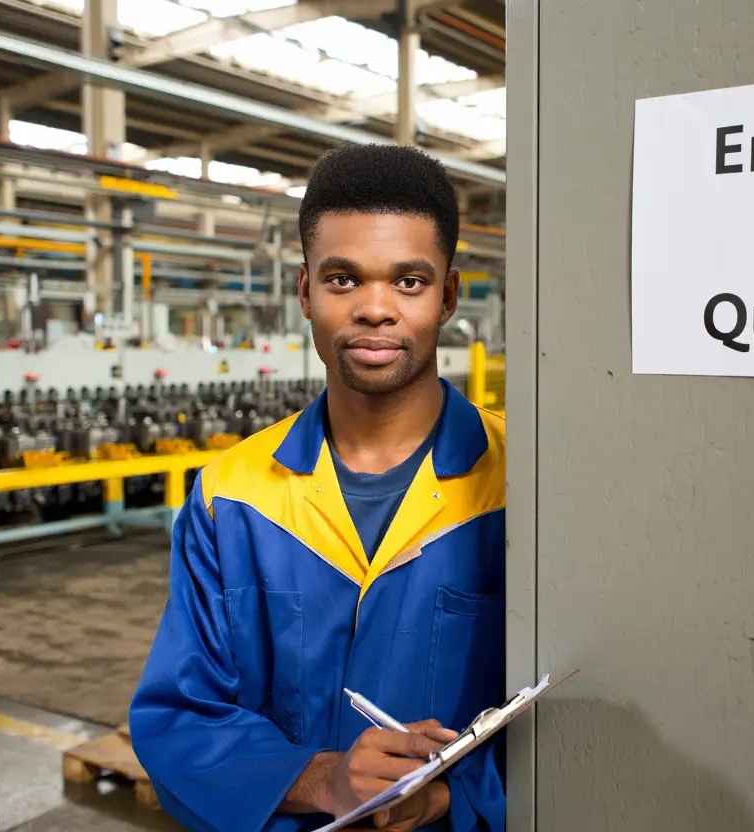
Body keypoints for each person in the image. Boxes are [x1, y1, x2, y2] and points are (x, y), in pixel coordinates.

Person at [129, 143, 507, 832]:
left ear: (448, 297)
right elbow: (180, 720)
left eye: (409, 282)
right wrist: (324, 779)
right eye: (343, 280)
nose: (374, 309)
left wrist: (454, 794)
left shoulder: (524, 483)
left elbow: (581, 714)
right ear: (305, 292)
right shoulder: (231, 496)